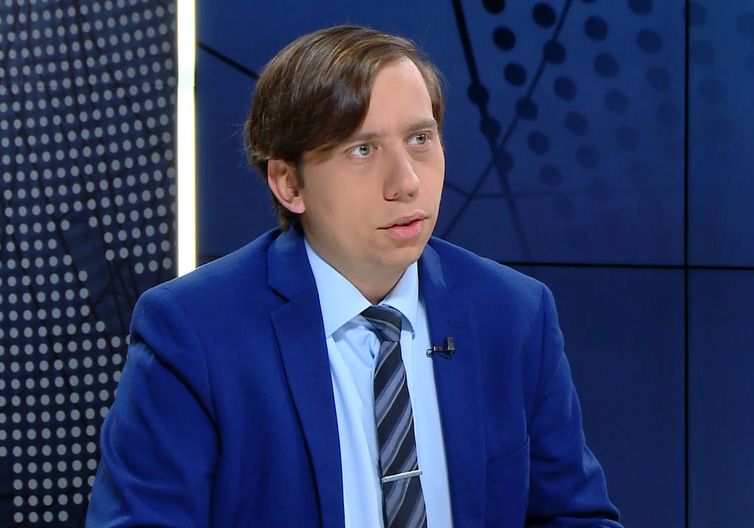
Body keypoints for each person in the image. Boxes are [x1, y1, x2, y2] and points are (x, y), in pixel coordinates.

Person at [87, 25, 621, 527]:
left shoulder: (514, 314)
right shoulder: (193, 333)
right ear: (289, 183)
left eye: (420, 139)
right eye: (362, 149)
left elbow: (575, 517)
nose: (406, 182)